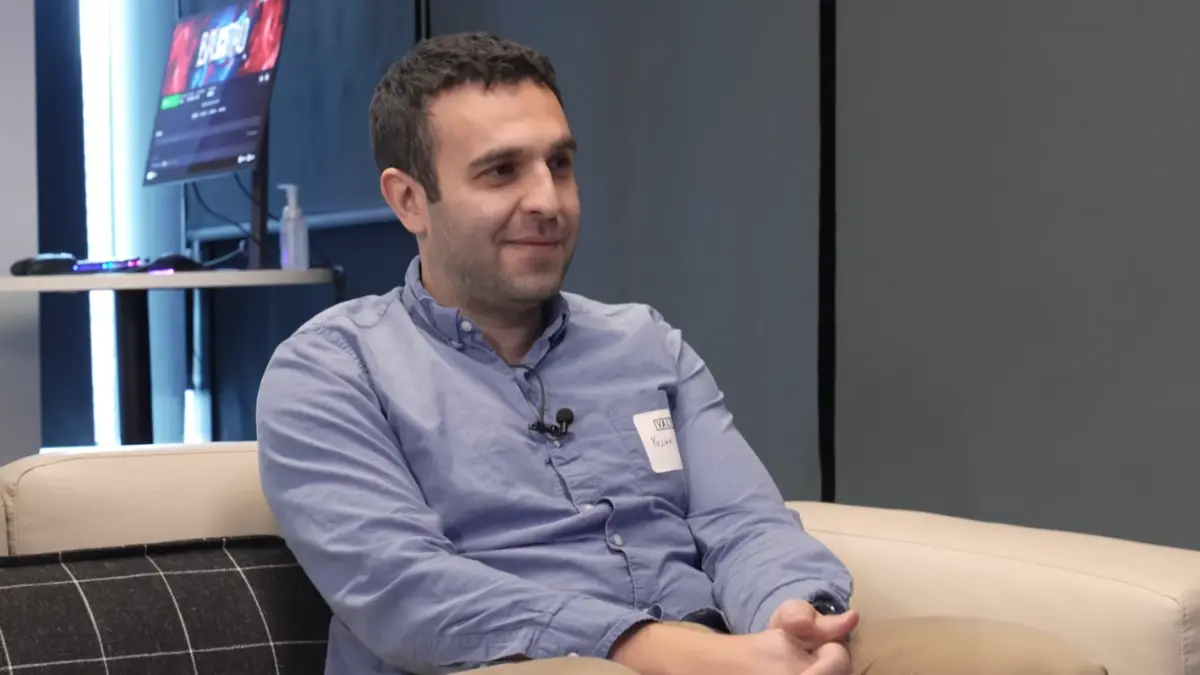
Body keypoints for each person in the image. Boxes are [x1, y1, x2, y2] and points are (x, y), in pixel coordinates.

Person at [256, 32, 1106, 675]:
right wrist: (659, 649)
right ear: (410, 199)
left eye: (560, 163)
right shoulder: (331, 372)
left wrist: (789, 619)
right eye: (501, 171)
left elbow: (742, 522)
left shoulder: (643, 342)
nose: (547, 199)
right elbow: (407, 592)